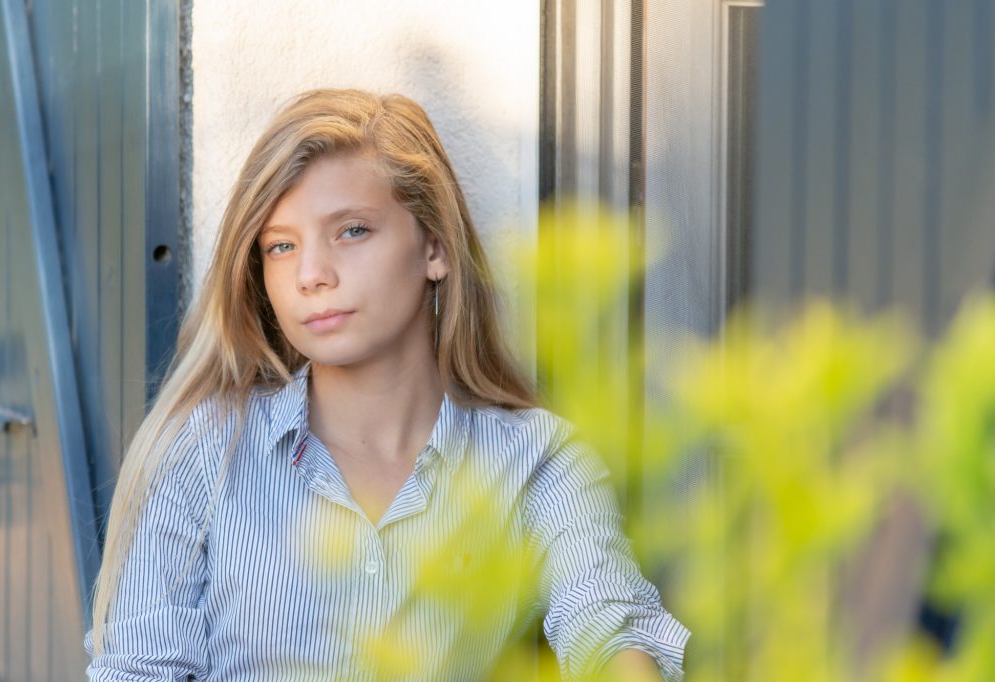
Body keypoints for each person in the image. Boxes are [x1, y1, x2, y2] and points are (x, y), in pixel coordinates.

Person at [85, 89, 689, 681]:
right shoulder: (205, 450)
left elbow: (610, 626)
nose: (311, 275)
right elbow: (138, 670)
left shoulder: (536, 461)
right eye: (281, 246)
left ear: (434, 246)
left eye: (351, 231)